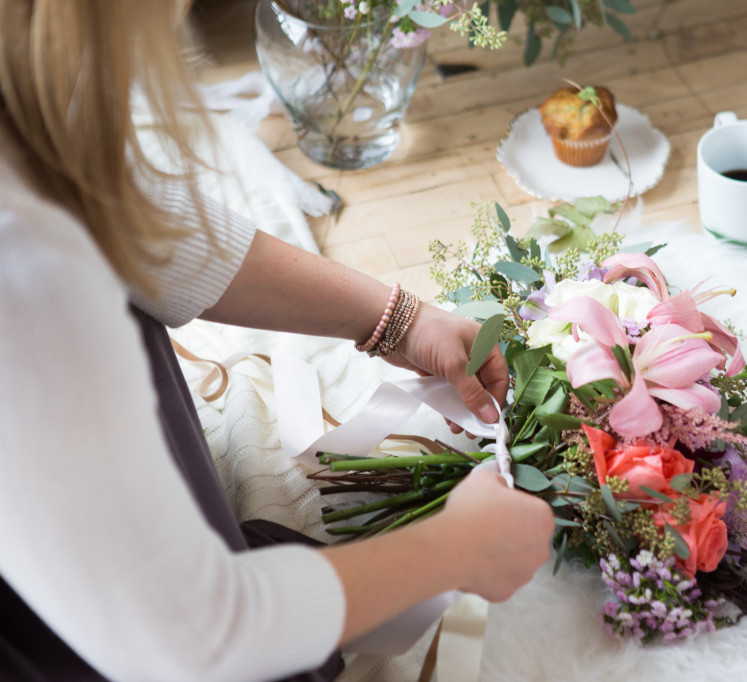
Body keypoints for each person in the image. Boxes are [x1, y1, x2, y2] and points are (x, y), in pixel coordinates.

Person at [0, 1, 554, 680]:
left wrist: (398, 319)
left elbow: (114, 208)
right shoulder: (26, 273)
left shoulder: (24, 84)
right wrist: (459, 549)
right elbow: (199, 642)